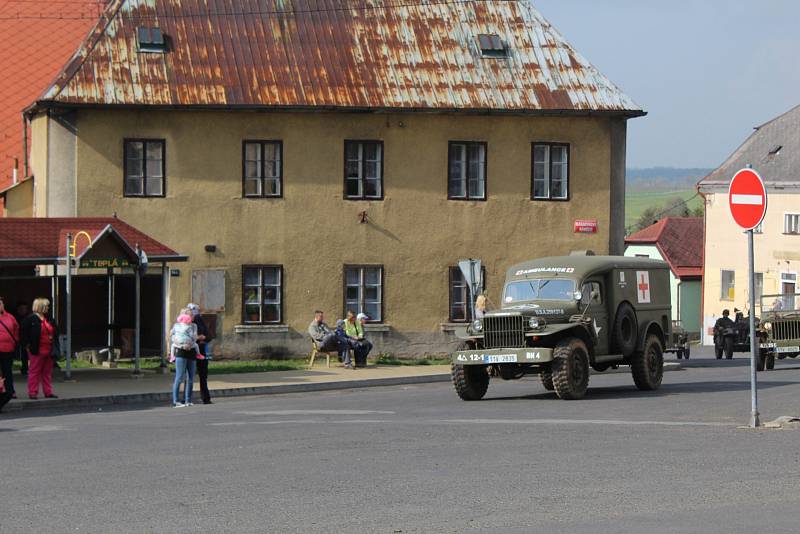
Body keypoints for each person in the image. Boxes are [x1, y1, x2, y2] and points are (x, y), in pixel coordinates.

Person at [20, 298, 59, 399]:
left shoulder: (49, 318)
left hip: (49, 349)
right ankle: (33, 392)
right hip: (36, 350)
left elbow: (56, 332)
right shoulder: (30, 319)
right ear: (40, 307)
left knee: (47, 372)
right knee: (34, 371)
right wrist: (27, 345)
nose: (48, 308)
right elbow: (23, 333)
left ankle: (48, 392)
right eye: (46, 306)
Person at [169, 309, 202, 407]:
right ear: (185, 316)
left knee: (190, 377)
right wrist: (182, 345)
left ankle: (187, 400)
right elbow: (173, 338)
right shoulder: (177, 325)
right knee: (179, 377)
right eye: (191, 315)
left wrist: (190, 344)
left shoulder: (194, 325)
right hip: (180, 352)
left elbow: (195, 337)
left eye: (193, 315)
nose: (193, 317)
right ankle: (176, 401)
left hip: (191, 351)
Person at [187, 303, 213, 404]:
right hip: (189, 351)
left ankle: (205, 397)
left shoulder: (200, 321)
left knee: (203, 375)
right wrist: (198, 338)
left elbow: (209, 336)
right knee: (189, 376)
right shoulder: (184, 323)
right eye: (191, 312)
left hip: (201, 351)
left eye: (195, 312)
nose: (193, 315)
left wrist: (204, 338)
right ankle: (187, 398)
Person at [0, 296, 21, 399]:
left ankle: (10, 391)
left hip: (8, 349)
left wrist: (15, 341)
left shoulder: (10, 317)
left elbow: (16, 328)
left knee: (7, 371)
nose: (0, 305)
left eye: (1, 303)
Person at [14, 302, 29, 375]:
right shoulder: (14, 318)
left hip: (25, 339)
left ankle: (25, 368)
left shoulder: (29, 317)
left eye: (24, 309)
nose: (23, 310)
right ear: (18, 310)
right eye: (21, 309)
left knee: (25, 354)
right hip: (15, 338)